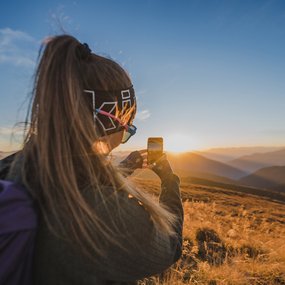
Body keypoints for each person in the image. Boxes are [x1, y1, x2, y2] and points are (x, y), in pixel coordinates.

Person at [1, 34, 184, 285]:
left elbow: (78, 175)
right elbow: (171, 245)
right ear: (110, 120)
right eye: (129, 126)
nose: (127, 131)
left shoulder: (15, 167)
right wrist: (170, 180)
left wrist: (125, 167)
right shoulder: (109, 218)